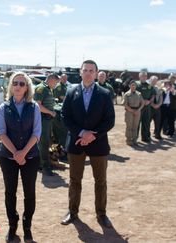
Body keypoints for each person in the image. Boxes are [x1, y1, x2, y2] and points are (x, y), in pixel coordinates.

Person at [60, 60, 115, 228]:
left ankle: (101, 214)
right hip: (76, 143)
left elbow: (110, 120)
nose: (88, 73)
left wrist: (92, 135)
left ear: (96, 72)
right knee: (75, 180)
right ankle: (72, 212)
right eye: (85, 70)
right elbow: (64, 116)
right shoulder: (71, 91)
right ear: (80, 72)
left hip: (98, 144)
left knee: (101, 181)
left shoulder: (105, 94)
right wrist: (82, 133)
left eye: (92, 70)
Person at [0, 72, 41, 243]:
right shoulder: (4, 107)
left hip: (30, 157)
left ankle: (27, 226)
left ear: (27, 87)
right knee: (10, 193)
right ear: (11, 85)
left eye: (22, 83)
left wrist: (23, 153)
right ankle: (12, 225)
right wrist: (16, 153)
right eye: (15, 83)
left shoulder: (34, 107)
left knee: (30, 193)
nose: (18, 86)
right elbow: (1, 133)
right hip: (8, 158)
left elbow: (37, 133)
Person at [34, 74, 60, 176]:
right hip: (42, 119)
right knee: (44, 143)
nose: (56, 85)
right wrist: (50, 112)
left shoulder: (48, 88)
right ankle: (45, 166)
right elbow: (38, 105)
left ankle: (41, 163)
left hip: (47, 119)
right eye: (56, 82)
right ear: (51, 80)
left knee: (46, 142)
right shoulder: (42, 88)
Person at [136, 71, 155, 143]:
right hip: (139, 107)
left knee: (146, 122)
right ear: (139, 76)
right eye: (142, 76)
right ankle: (135, 138)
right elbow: (134, 94)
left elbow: (153, 95)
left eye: (145, 76)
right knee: (137, 123)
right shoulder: (136, 85)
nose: (144, 77)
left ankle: (145, 137)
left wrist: (149, 101)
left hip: (147, 107)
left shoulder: (149, 86)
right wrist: (142, 101)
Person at [123, 81, 144, 146]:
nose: (133, 86)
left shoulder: (139, 94)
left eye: (134, 85)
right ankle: (129, 140)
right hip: (129, 112)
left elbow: (142, 103)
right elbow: (125, 104)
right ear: (129, 86)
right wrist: (132, 111)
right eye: (132, 85)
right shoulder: (126, 94)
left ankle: (134, 140)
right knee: (129, 126)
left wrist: (138, 110)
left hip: (137, 111)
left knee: (135, 126)